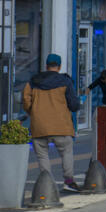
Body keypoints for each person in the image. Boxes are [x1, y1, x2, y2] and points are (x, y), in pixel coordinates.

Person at [22, 53, 81, 192]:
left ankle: (47, 183)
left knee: (42, 154)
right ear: (59, 67)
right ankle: (68, 181)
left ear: (46, 66)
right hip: (61, 125)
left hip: (39, 125)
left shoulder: (33, 81)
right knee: (66, 151)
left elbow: (25, 100)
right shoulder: (65, 82)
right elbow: (74, 104)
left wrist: (33, 112)